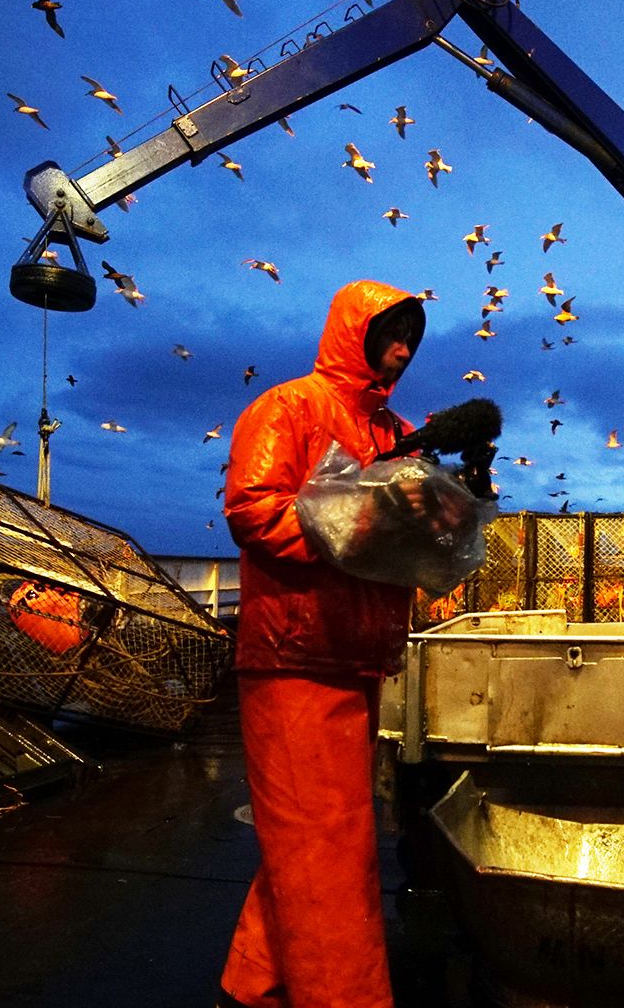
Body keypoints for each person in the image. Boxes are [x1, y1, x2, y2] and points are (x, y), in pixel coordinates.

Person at [218, 279, 428, 1008]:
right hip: (294, 658)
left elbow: (397, 533)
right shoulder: (291, 407)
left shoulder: (391, 433)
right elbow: (252, 509)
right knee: (327, 849)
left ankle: (255, 982)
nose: (401, 350)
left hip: (353, 656)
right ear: (353, 332)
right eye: (388, 333)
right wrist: (362, 524)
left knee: (309, 837)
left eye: (411, 337)